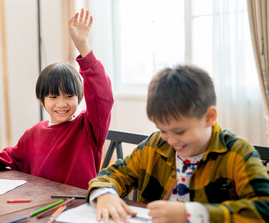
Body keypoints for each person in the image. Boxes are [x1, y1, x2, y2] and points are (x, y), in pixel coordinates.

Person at [0, 9, 114, 190]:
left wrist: (82, 46)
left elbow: (103, 96)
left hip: (77, 207)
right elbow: (7, 157)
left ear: (80, 97)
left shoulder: (88, 128)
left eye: (69, 96)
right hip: (39, 206)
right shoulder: (33, 134)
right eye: (53, 97)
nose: (62, 103)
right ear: (42, 100)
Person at [87, 65, 269, 223]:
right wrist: (105, 194)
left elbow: (264, 207)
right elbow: (113, 174)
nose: (171, 140)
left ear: (209, 117)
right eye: (163, 130)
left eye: (180, 131)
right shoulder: (155, 145)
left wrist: (190, 214)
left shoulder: (237, 152)